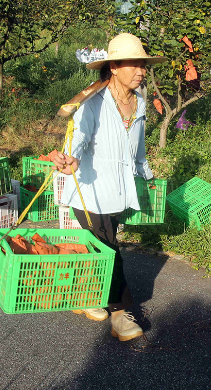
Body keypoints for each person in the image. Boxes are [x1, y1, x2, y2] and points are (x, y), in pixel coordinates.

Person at [52, 33, 165, 342]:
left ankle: (85, 294)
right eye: (134, 64)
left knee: (99, 245)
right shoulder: (93, 104)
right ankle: (120, 312)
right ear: (114, 66)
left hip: (118, 191)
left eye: (143, 65)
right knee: (109, 250)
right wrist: (69, 159)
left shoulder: (139, 103)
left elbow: (138, 148)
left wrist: (146, 174)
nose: (141, 71)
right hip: (89, 190)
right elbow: (79, 139)